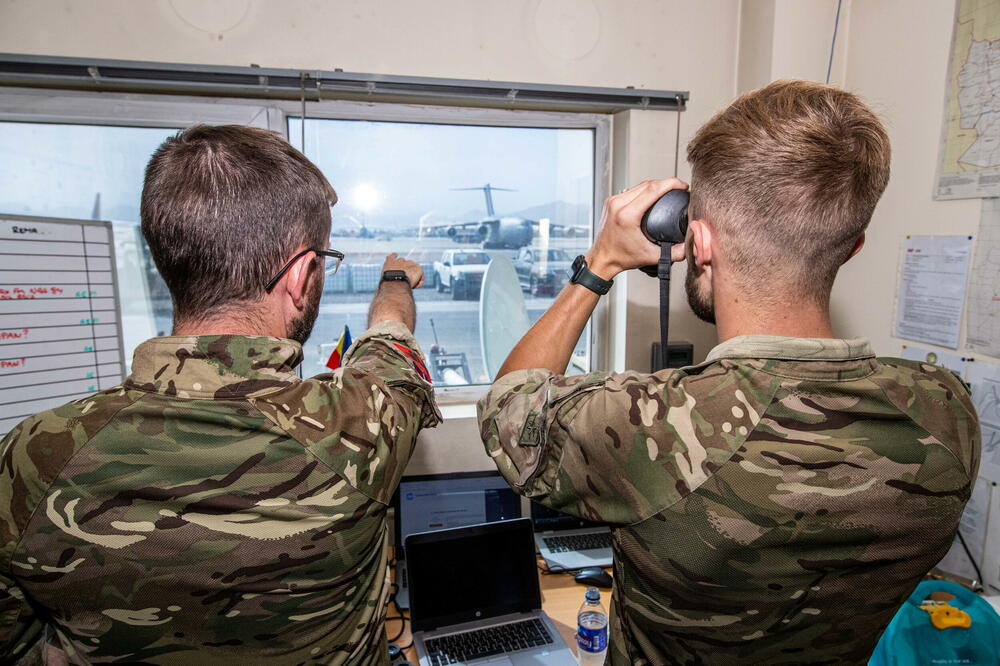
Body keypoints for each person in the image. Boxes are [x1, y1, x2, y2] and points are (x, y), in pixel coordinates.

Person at [478, 80, 980, 664]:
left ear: (697, 239)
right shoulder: (948, 413)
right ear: (852, 246)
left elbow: (508, 406)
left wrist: (601, 262)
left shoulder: (657, 425)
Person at [0, 125, 440, 664]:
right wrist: (394, 277)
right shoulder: (356, 428)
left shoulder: (31, 455)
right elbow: (390, 341)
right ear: (301, 276)